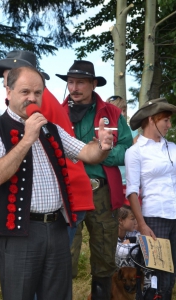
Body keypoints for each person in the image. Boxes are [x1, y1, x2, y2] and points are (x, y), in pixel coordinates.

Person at [0, 66, 115, 300]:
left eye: (37, 92)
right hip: (21, 232)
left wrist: (102, 147)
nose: (32, 98)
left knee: (58, 295)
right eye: (25, 92)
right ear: (8, 91)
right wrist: (27, 139)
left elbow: (86, 153)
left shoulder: (50, 129)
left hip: (58, 228)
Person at [0, 50, 94, 247]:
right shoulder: (42, 97)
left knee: (55, 268)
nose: (5, 82)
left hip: (63, 194)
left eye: (7, 75)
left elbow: (23, 145)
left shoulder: (31, 103)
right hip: (69, 189)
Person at [58, 60, 133, 298]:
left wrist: (101, 154)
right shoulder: (57, 113)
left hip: (101, 192)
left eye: (80, 82)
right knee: (64, 254)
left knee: (103, 255)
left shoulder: (111, 114)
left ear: (93, 84)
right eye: (71, 82)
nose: (74, 87)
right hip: (67, 191)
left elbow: (127, 150)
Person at [126, 98, 176, 300]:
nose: (170, 125)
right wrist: (142, 224)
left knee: (171, 275)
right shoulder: (135, 152)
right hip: (154, 218)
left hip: (175, 216)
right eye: (166, 120)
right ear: (151, 120)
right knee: (156, 275)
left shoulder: (172, 148)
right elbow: (132, 191)